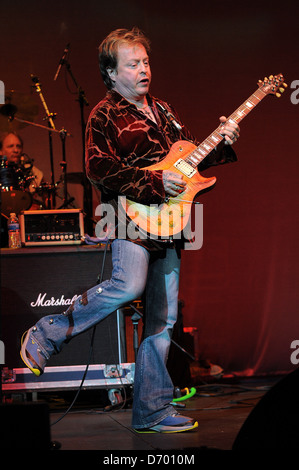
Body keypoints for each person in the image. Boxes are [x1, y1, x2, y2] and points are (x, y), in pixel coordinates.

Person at [20, 27, 240, 433]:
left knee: (163, 317)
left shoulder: (165, 110)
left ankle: (152, 411)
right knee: (127, 286)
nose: (144, 70)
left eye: (146, 61)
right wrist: (154, 184)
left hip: (171, 219)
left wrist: (222, 144)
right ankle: (48, 332)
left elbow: (188, 164)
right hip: (128, 214)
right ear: (111, 72)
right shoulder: (103, 114)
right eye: (133, 63)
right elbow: (97, 168)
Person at [0, 131, 44, 208]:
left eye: (18, 146)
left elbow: (46, 196)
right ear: (1, 151)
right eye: (10, 146)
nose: (16, 150)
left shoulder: (31, 170)